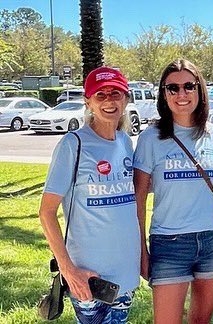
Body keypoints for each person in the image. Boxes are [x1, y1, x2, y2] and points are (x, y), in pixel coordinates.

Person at [133, 59, 213, 324]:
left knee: (201, 321)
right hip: (169, 243)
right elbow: (138, 198)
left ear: (200, 90)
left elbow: (210, 183)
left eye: (189, 86)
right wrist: (141, 250)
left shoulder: (211, 133)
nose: (181, 94)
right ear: (163, 94)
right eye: (172, 88)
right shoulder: (151, 138)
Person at [38, 66, 140, 323]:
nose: (109, 100)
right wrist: (68, 270)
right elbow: (46, 212)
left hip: (126, 274)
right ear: (88, 102)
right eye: (100, 95)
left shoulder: (125, 142)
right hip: (89, 277)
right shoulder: (73, 144)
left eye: (115, 93)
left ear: (126, 98)